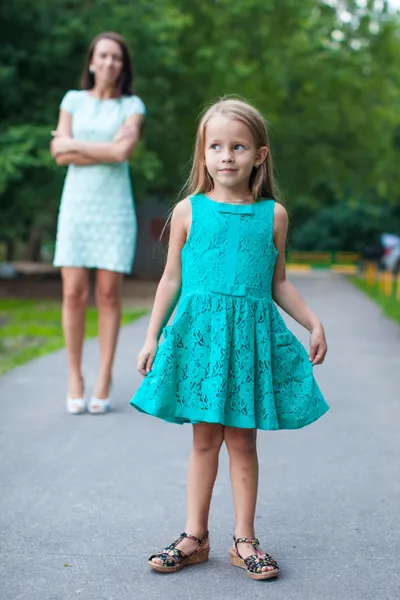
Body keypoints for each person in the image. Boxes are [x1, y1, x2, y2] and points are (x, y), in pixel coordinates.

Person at [130, 98, 329, 580]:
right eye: (215, 146)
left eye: (237, 147)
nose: (226, 156)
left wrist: (313, 322)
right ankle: (194, 537)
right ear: (203, 155)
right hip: (201, 340)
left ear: (259, 155)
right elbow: (171, 280)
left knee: (242, 442)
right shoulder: (188, 210)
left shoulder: (273, 216)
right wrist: (151, 335)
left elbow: (278, 281)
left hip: (247, 344)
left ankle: (245, 539)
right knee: (203, 442)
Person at [50, 32, 145, 414]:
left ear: (123, 66)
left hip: (114, 208)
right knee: (73, 292)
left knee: (108, 294)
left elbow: (123, 151)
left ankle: (104, 375)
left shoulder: (132, 105)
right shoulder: (72, 101)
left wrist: (74, 145)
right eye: (103, 56)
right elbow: (58, 155)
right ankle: (75, 376)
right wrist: (101, 150)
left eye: (116, 58)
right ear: (91, 62)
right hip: (76, 205)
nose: (109, 63)